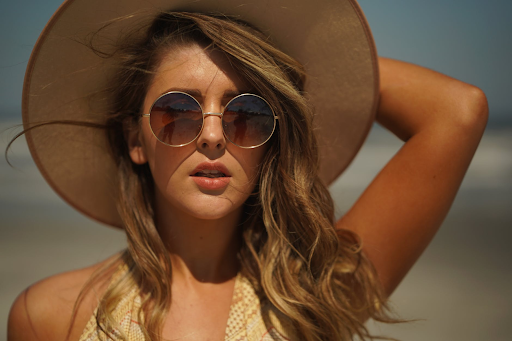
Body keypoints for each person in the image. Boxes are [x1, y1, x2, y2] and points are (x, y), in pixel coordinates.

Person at [7, 1, 488, 341]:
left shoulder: (317, 293)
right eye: (178, 111)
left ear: (271, 140)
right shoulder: (50, 317)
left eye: (247, 113)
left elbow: (458, 110)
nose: (213, 135)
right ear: (136, 140)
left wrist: (286, 74)